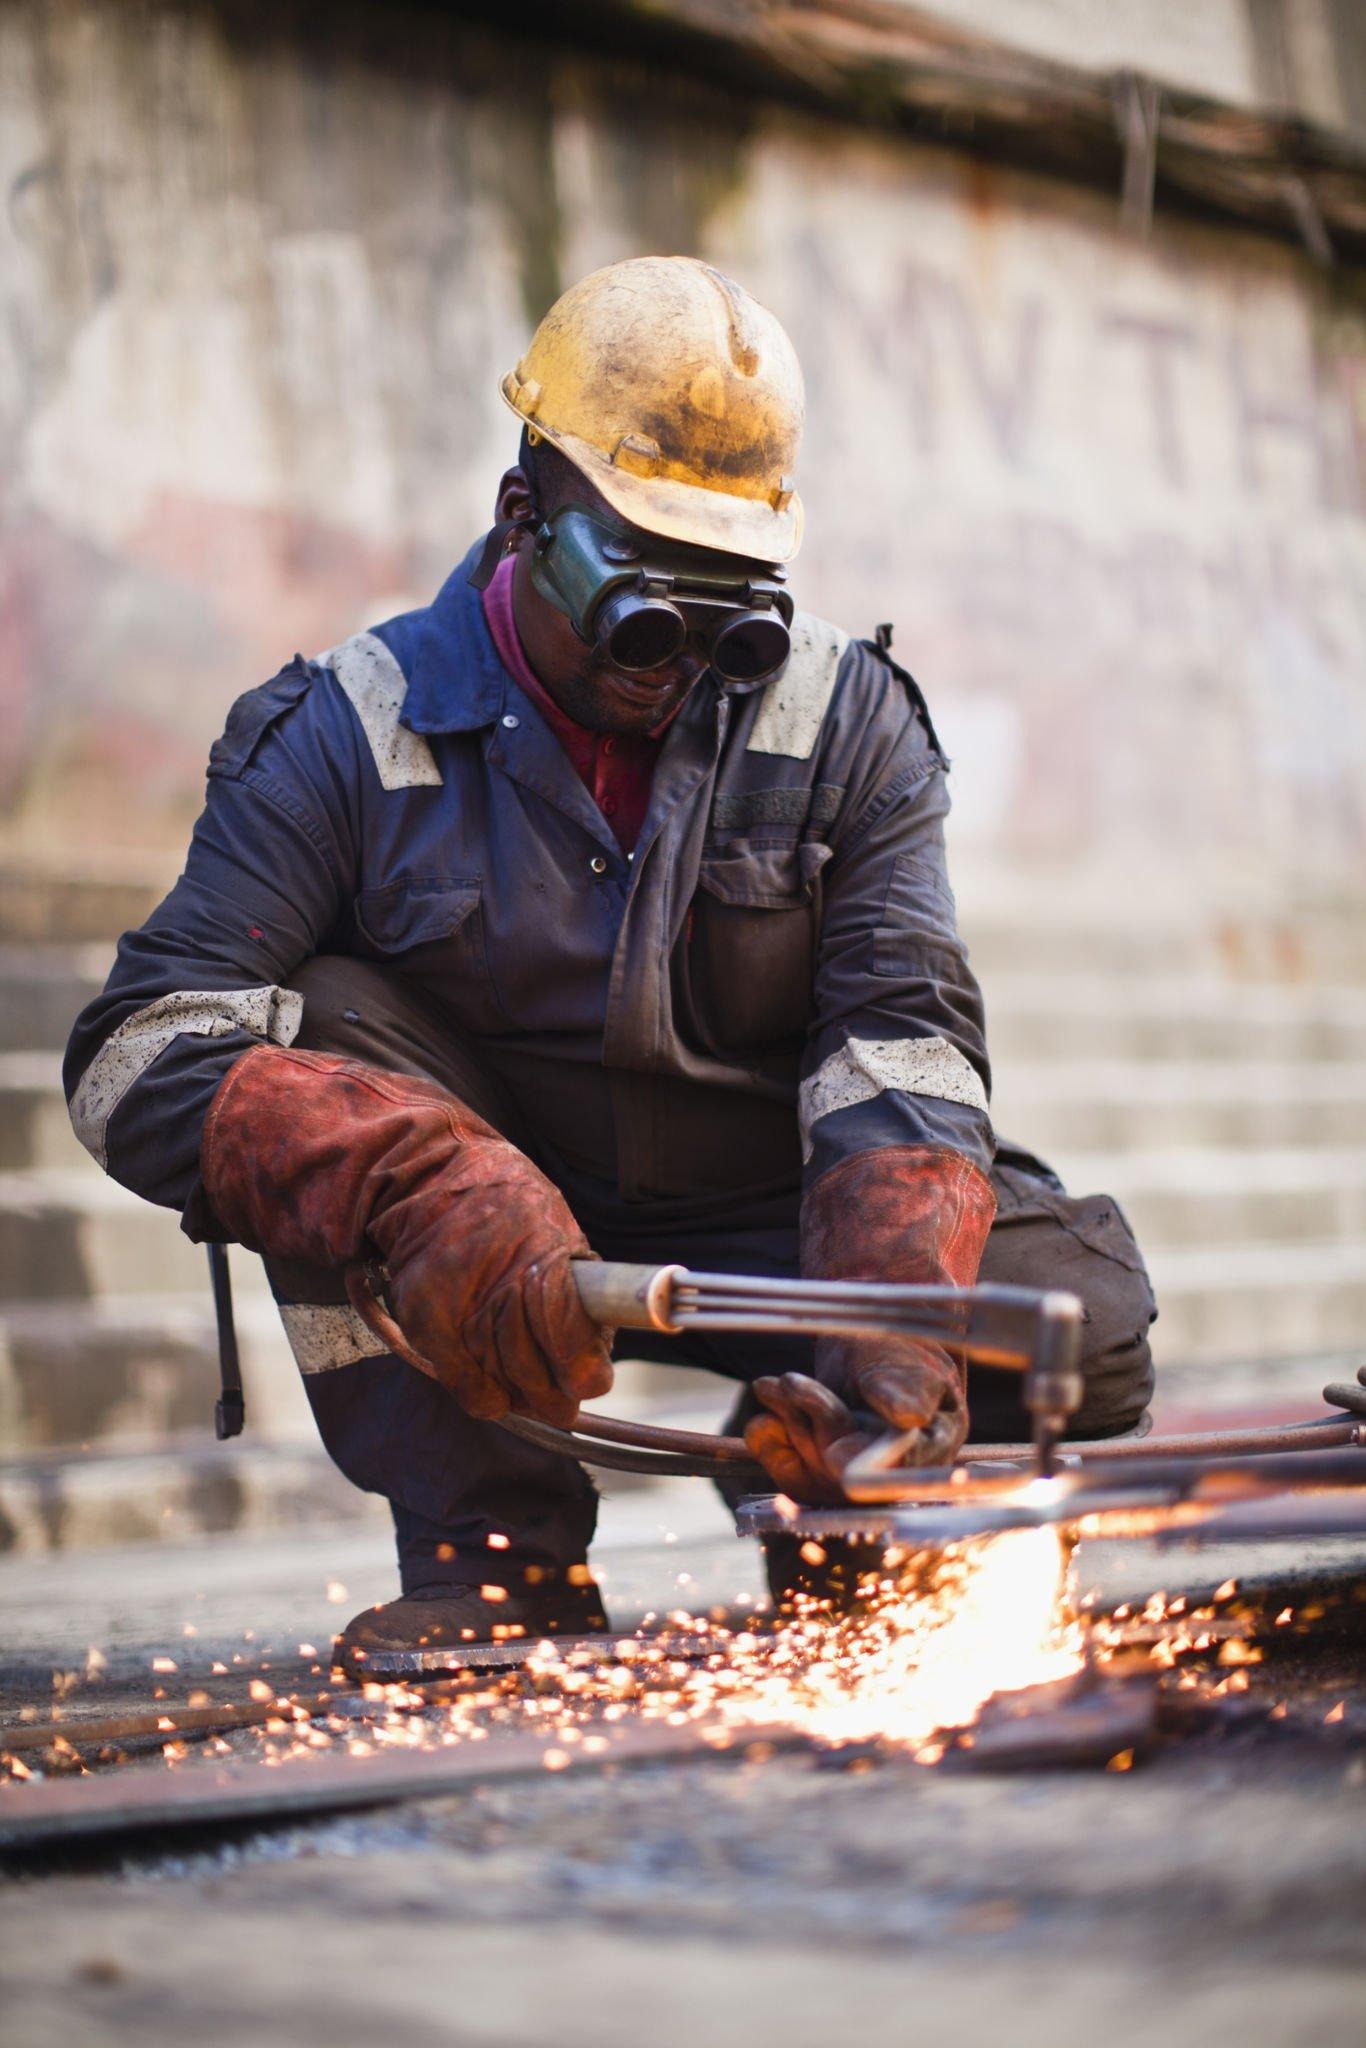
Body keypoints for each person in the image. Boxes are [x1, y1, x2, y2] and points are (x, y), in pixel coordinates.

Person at [65, 257, 1156, 1669]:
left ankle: (838, 1507)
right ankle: (494, 1554)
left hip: (771, 1217)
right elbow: (136, 1050)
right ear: (524, 512)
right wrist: (415, 1177)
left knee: (1085, 1327)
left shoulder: (847, 721)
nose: (680, 652)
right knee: (309, 1048)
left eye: (726, 596)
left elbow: (899, 1045)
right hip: (485, 1234)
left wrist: (889, 1347)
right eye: (639, 589)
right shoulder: (348, 727)